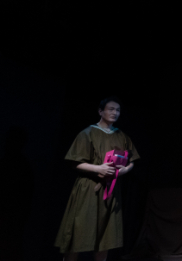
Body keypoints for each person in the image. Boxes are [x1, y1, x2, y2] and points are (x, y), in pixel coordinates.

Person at [55, 97, 140, 261]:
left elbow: (132, 161)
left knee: (105, 236)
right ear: (101, 111)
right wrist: (98, 168)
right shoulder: (87, 133)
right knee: (78, 232)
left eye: (118, 110)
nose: (115, 113)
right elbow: (75, 162)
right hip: (89, 189)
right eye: (111, 109)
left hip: (111, 190)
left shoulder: (122, 136)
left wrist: (125, 170)